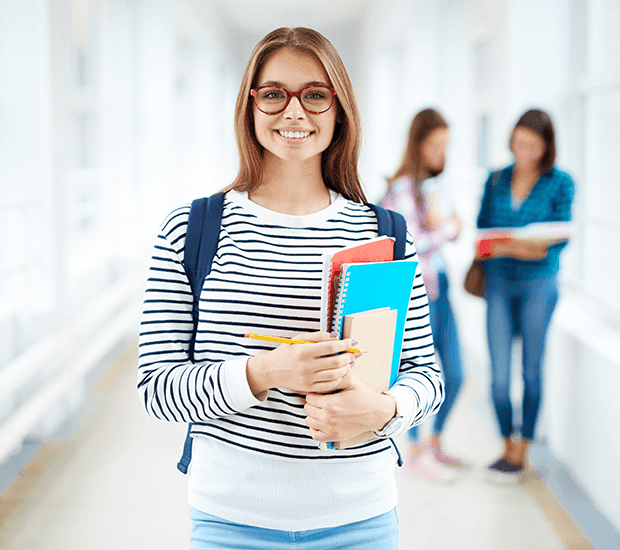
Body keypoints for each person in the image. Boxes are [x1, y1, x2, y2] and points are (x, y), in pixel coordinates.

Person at [137, 27, 444, 549]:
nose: (295, 112)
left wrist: (385, 409)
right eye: (275, 93)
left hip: (362, 520)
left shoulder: (385, 233)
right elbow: (156, 388)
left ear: (339, 110)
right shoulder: (192, 229)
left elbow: (426, 375)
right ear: (250, 105)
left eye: (316, 95)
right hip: (231, 522)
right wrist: (265, 372)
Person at [476, 109, 574, 479]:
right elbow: (483, 235)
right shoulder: (496, 178)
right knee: (499, 375)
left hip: (539, 285)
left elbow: (555, 242)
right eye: (518, 142)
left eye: (532, 144)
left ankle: (524, 445)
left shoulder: (560, 182)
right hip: (498, 283)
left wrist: (508, 245)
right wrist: (521, 245)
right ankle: (506, 446)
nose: (523, 150)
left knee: (532, 370)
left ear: (546, 146)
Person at [381, 109, 464, 480]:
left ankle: (434, 442)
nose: (440, 153)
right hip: (418, 293)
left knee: (457, 374)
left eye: (445, 145)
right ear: (417, 144)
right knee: (415, 372)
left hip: (441, 287)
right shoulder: (399, 190)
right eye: (434, 144)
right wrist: (449, 228)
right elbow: (409, 246)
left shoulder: (432, 186)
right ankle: (414, 450)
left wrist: (445, 225)